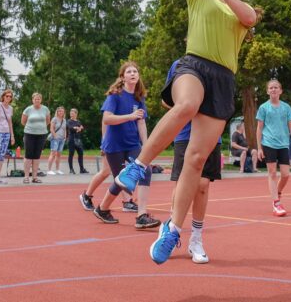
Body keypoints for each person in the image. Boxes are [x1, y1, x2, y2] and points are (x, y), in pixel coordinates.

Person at [113, 0, 260, 266]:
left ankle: (173, 229)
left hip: (222, 79)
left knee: (196, 161)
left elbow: (250, 17)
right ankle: (138, 166)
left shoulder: (237, 12)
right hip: (194, 66)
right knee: (186, 104)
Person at [165, 59, 222, 264]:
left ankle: (196, 239)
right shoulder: (180, 65)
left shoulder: (219, 65)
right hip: (185, 133)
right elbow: (166, 101)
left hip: (210, 132)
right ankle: (171, 233)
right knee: (181, 183)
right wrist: (189, 103)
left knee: (203, 185)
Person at [92, 61, 161, 230]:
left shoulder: (139, 97)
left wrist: (147, 146)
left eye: (135, 71)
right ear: (122, 77)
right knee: (122, 182)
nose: (133, 74)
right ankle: (102, 209)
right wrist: (130, 116)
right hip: (114, 145)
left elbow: (141, 123)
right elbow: (107, 119)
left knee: (145, 171)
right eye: (129, 71)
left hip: (132, 144)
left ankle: (141, 216)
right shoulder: (115, 95)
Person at [255, 79, 291, 216]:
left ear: (280, 91)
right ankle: (276, 203)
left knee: (286, 174)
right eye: (271, 88)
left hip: (283, 144)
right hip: (269, 143)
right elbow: (259, 128)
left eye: (276, 87)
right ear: (267, 91)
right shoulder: (263, 108)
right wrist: (259, 148)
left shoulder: (286, 107)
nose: (273, 89)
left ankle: (278, 192)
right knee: (272, 173)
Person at [21, 93, 51, 184]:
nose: (37, 100)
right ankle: (26, 177)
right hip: (29, 134)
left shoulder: (45, 109)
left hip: (41, 134)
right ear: (32, 100)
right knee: (28, 155)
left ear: (41, 100)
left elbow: (48, 121)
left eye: (38, 99)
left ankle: (35, 177)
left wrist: (40, 128)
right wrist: (32, 128)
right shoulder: (28, 109)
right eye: (35, 99)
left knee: (37, 156)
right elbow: (23, 122)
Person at [66, 108, 89, 174]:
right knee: (71, 154)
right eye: (71, 113)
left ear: (76, 114)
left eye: (73, 113)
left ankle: (82, 169)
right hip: (71, 139)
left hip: (78, 140)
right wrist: (77, 128)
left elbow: (82, 128)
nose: (71, 114)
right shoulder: (69, 121)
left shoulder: (78, 121)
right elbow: (70, 128)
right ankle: (71, 169)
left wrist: (79, 128)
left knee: (81, 154)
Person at [47, 106, 67, 175]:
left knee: (59, 155)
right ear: (57, 112)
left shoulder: (64, 120)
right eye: (59, 111)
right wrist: (55, 136)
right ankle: (49, 170)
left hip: (62, 139)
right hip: (55, 139)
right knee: (53, 154)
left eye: (62, 111)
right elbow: (51, 129)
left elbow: (64, 129)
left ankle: (57, 169)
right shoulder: (54, 119)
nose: (61, 112)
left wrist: (65, 136)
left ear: (64, 112)